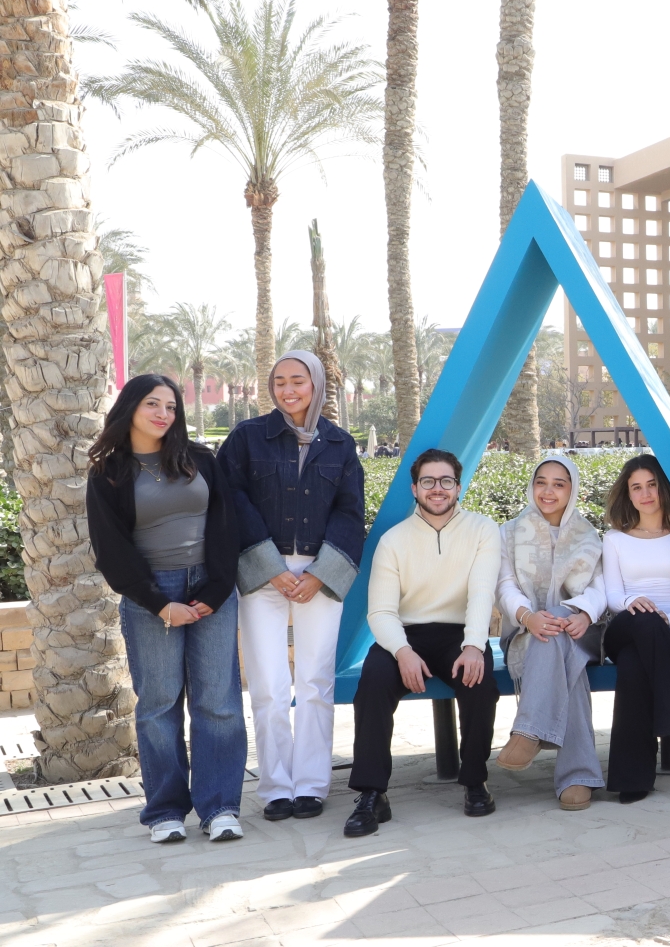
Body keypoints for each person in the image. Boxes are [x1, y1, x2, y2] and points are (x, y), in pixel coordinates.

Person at [86, 375, 246, 844]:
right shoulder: (110, 472)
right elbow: (110, 548)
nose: (163, 414)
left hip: (210, 587)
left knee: (218, 700)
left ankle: (220, 808)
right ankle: (165, 811)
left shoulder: (199, 459)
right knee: (158, 704)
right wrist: (160, 604)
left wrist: (216, 591)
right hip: (151, 594)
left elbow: (225, 524)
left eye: (172, 406)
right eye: (153, 404)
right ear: (131, 407)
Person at [218, 350, 364, 824]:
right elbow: (230, 500)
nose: (287, 389)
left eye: (297, 380)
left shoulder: (340, 445)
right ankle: (277, 786)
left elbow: (349, 513)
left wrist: (321, 573)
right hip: (262, 574)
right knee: (268, 683)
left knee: (316, 682)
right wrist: (268, 566)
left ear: (316, 384)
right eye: (279, 381)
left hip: (319, 575)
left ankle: (312, 785)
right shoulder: (246, 438)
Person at [345, 449, 503, 836]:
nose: (438, 488)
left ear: (458, 486)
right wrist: (402, 653)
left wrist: (472, 645)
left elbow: (482, 594)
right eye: (428, 481)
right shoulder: (393, 540)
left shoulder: (483, 529)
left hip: (460, 634)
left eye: (446, 481)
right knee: (373, 682)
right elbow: (380, 612)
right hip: (407, 635)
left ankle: (474, 781)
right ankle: (371, 793)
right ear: (414, 488)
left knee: (479, 681)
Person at [494, 454, 607, 810]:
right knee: (555, 643)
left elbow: (601, 588)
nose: (548, 491)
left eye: (559, 484)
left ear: (572, 490)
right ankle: (578, 775)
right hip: (526, 634)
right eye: (541, 482)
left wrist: (585, 614)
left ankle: (529, 729)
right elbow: (504, 585)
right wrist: (528, 616)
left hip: (581, 631)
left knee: (558, 626)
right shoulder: (510, 532)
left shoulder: (588, 535)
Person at [598, 454, 670, 803]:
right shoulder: (614, 538)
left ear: (663, 488)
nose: (645, 493)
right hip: (627, 625)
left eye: (651, 485)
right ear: (628, 494)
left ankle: (632, 779)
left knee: (635, 666)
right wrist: (634, 604)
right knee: (643, 620)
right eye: (636, 487)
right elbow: (613, 595)